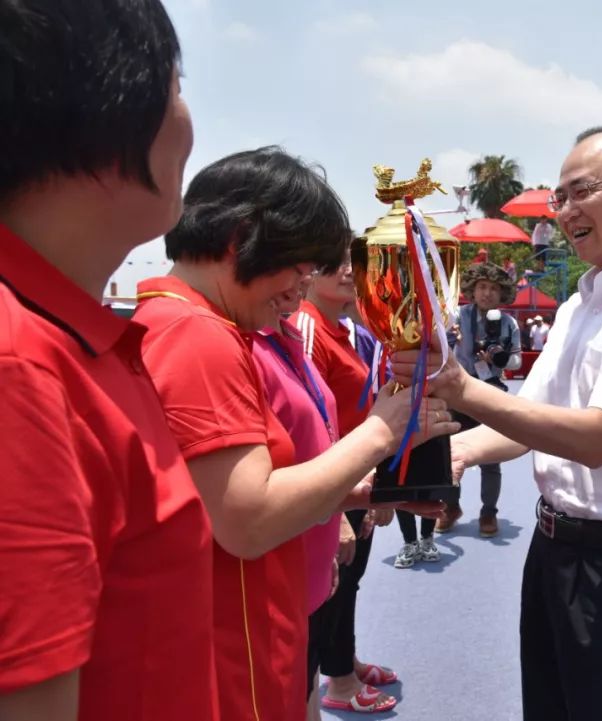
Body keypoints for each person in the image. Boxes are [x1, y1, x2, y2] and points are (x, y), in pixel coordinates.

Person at [392, 125, 602, 720]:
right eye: (559, 198)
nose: (566, 211)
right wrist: (453, 457)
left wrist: (461, 387)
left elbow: (598, 439)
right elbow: (526, 422)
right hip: (554, 554)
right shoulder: (579, 303)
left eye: (582, 191)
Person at [134, 147, 455, 721]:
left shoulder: (191, 323)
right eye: (301, 265)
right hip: (236, 639)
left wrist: (345, 495)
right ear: (241, 240)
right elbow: (248, 517)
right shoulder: (199, 336)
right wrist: (380, 433)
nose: (302, 286)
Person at [0, 3, 217, 719]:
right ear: (104, 99)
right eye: (176, 84)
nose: (188, 119)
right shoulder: (19, 366)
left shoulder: (65, 338)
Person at [294, 251, 399, 712]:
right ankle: (336, 683)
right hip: (334, 481)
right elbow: (311, 421)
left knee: (350, 580)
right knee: (332, 585)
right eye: (331, 263)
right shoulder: (309, 326)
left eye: (351, 262)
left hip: (355, 474)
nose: (348, 271)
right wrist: (334, 509)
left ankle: (344, 662)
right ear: (306, 274)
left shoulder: (348, 330)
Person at [248, 277, 349, 719]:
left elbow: (318, 433)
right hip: (279, 571)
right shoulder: (248, 343)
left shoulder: (286, 336)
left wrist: (345, 501)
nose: (302, 274)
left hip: (310, 557)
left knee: (302, 688)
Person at [436, 262, 523, 537]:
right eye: (482, 287)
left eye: (494, 289)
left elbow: (518, 361)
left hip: (491, 394)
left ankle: (489, 512)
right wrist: (450, 339)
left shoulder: (509, 323)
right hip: (458, 395)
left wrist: (502, 358)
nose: (487, 293)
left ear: (502, 294)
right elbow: (438, 350)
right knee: (449, 454)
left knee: (490, 458)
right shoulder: (456, 317)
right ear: (472, 291)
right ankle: (451, 506)